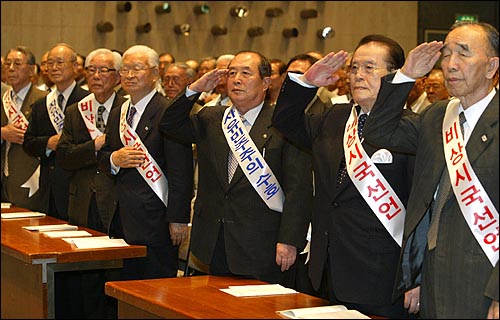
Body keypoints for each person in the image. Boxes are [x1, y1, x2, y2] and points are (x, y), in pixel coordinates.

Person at [272, 34, 421, 318]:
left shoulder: (411, 128)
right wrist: (306, 83)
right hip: (328, 269)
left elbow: (420, 209)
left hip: (382, 276)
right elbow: (285, 122)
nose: (358, 76)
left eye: (369, 68)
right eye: (353, 68)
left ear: (394, 75)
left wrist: (415, 275)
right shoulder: (335, 117)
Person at [363, 21, 499, 319]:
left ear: (491, 66)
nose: (450, 64)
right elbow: (378, 131)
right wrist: (406, 76)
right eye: (446, 54)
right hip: (432, 276)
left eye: (463, 54)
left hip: (484, 280)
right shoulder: (437, 115)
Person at [159, 50, 313, 286]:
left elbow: (298, 189)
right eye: (232, 73)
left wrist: (290, 240)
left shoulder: (282, 123)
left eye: (245, 73)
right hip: (215, 239)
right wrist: (194, 89)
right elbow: (169, 124)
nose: (237, 79)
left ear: (266, 83)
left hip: (263, 243)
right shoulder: (211, 117)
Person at [97, 45, 193, 281]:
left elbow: (181, 170)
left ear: (154, 73)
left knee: (155, 288)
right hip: (121, 217)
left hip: (156, 218)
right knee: (123, 288)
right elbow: (104, 154)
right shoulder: (119, 110)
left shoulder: (168, 110)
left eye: (137, 69)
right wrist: (113, 159)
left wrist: (179, 219)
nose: (129, 75)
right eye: (125, 69)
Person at [56, 47, 125, 319]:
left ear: (118, 76)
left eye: (104, 70)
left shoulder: (128, 108)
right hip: (82, 200)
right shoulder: (76, 110)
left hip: (117, 200)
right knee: (85, 276)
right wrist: (93, 147)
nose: (96, 76)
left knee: (113, 273)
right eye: (91, 69)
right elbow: (64, 156)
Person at [23, 43, 89, 219]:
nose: (53, 68)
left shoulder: (87, 101)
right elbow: (28, 142)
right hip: (49, 187)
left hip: (77, 185)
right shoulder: (41, 103)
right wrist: (47, 143)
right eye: (49, 63)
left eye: (60, 62)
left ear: (75, 66)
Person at [1, 46, 47, 211]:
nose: (11, 68)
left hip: (31, 177)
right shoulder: (3, 99)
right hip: (4, 178)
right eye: (8, 64)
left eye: (17, 64)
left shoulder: (44, 100)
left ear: (32, 70)